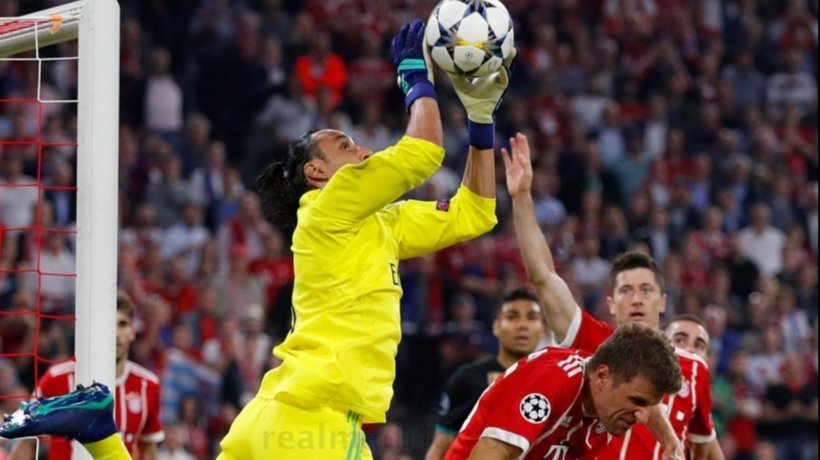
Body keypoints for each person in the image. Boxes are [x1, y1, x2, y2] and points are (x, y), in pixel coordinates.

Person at [1, 19, 515, 460]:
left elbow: (477, 211)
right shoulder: (329, 205)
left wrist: (480, 120)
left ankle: (99, 431)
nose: (361, 150)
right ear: (317, 172)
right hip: (317, 426)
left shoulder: (381, 224)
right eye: (344, 144)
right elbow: (423, 150)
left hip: (278, 415)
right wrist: (413, 77)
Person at [503, 133, 722, 459]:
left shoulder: (692, 369)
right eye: (625, 290)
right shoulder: (591, 339)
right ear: (610, 303)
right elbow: (544, 277)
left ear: (662, 302)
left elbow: (706, 449)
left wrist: (671, 441)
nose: (636, 298)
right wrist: (521, 198)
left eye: (646, 290)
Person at [444, 323, 683, 459]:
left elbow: (648, 400)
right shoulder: (549, 380)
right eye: (636, 401)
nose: (641, 417)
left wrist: (671, 442)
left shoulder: (609, 397)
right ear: (602, 377)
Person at [7, 291, 163, 460]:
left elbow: (148, 450)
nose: (116, 333)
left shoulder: (148, 385)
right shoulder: (56, 378)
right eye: (108, 324)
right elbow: (26, 444)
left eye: (122, 324)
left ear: (133, 331)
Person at [424, 288, 546, 460]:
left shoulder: (555, 382)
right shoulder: (467, 378)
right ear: (496, 327)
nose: (522, 325)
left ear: (543, 329)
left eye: (531, 317)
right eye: (512, 317)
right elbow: (439, 447)